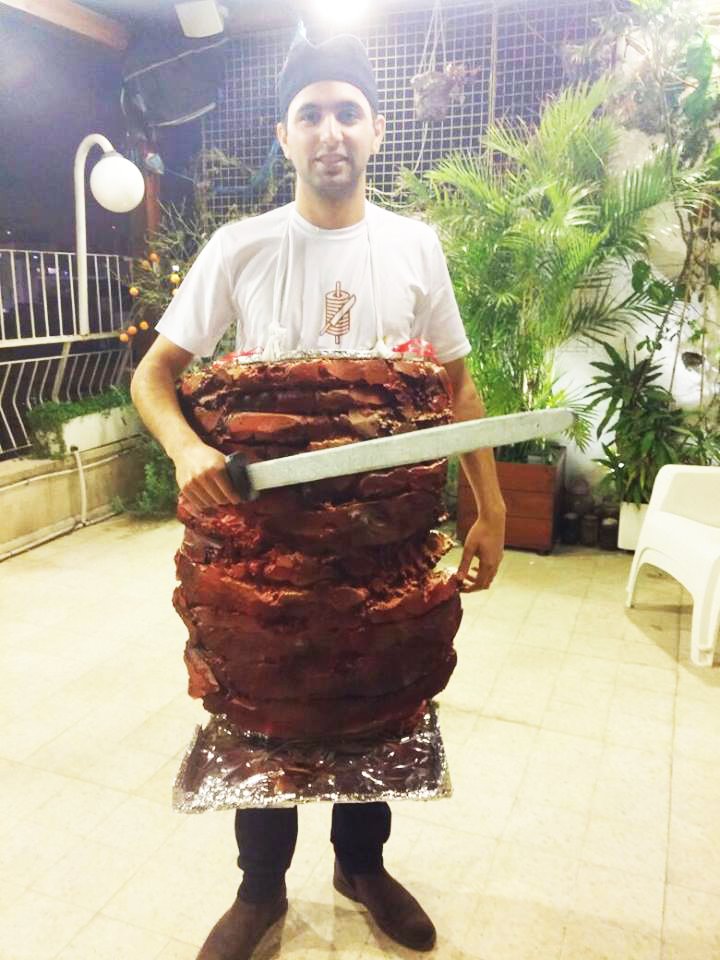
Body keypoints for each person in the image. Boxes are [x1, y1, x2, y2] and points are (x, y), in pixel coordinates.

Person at [131, 33, 506, 960]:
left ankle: (360, 868)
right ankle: (260, 892)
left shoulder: (414, 246)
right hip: (268, 547)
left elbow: (457, 389)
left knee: (378, 698)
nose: (329, 130)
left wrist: (488, 508)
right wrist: (185, 447)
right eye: (310, 115)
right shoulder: (242, 246)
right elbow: (154, 375)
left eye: (347, 112)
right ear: (285, 136)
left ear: (375, 131)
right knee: (266, 709)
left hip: (385, 545)